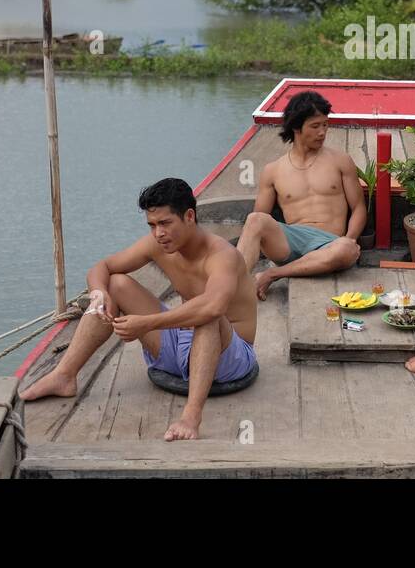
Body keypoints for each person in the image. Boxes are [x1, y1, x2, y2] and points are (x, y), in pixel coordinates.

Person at [19, 178, 257, 441]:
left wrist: (147, 323)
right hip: (181, 346)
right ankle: (64, 376)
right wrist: (100, 294)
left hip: (229, 357)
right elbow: (103, 267)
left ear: (189, 216)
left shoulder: (221, 255)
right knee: (115, 284)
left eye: (165, 223)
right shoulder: (157, 245)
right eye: (152, 225)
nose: (158, 233)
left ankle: (190, 416)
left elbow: (213, 306)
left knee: (208, 315)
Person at [236, 90, 365, 299]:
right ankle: (232, 288)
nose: (322, 132)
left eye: (325, 124)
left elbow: (359, 207)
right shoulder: (273, 170)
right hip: (291, 242)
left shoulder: (341, 161)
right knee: (254, 220)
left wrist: (350, 239)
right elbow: (260, 221)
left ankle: (272, 275)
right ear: (296, 127)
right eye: (315, 126)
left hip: (330, 244)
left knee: (346, 249)